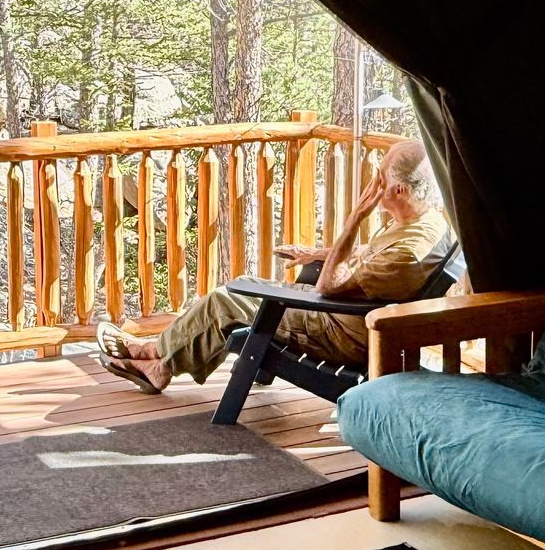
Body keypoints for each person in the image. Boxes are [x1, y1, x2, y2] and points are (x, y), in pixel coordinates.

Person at [96, 137, 450, 392]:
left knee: (227, 299)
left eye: (380, 176)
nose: (373, 183)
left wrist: (355, 218)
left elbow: (330, 286)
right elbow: (369, 261)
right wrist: (320, 254)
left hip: (338, 333)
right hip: (346, 318)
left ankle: (155, 357)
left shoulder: (408, 252)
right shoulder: (423, 222)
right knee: (247, 285)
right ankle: (161, 359)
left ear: (399, 191)